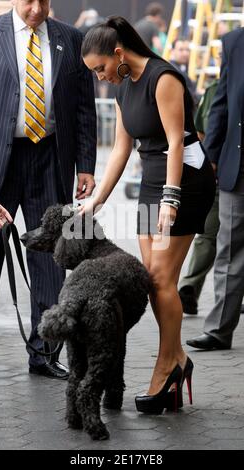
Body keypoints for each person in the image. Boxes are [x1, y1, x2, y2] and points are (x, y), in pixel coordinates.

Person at [80, 16, 216, 412]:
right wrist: (98, 201)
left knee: (160, 279)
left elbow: (176, 143)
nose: (100, 78)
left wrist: (171, 199)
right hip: (150, 186)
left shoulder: (164, 77)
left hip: (184, 183)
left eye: (101, 69)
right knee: (154, 280)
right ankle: (177, 362)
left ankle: (165, 366)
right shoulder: (124, 90)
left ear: (118, 54)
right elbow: (122, 150)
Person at [0, 0, 96, 378]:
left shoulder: (72, 39)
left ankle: (45, 355)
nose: (36, 9)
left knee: (52, 259)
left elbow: (84, 108)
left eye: (44, 1)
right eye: (28, 1)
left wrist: (86, 165)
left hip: (50, 158)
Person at [187, 26, 244, 350]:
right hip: (238, 167)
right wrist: (209, 159)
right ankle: (219, 330)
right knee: (229, 250)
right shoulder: (234, 42)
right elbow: (221, 101)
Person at [178, 79, 220, 315]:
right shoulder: (215, 91)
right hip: (219, 176)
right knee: (206, 236)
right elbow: (200, 132)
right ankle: (189, 289)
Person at [170, 38, 200, 107]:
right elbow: (190, 97)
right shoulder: (174, 70)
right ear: (172, 51)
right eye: (181, 50)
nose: (185, 53)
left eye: (187, 50)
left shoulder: (182, 68)